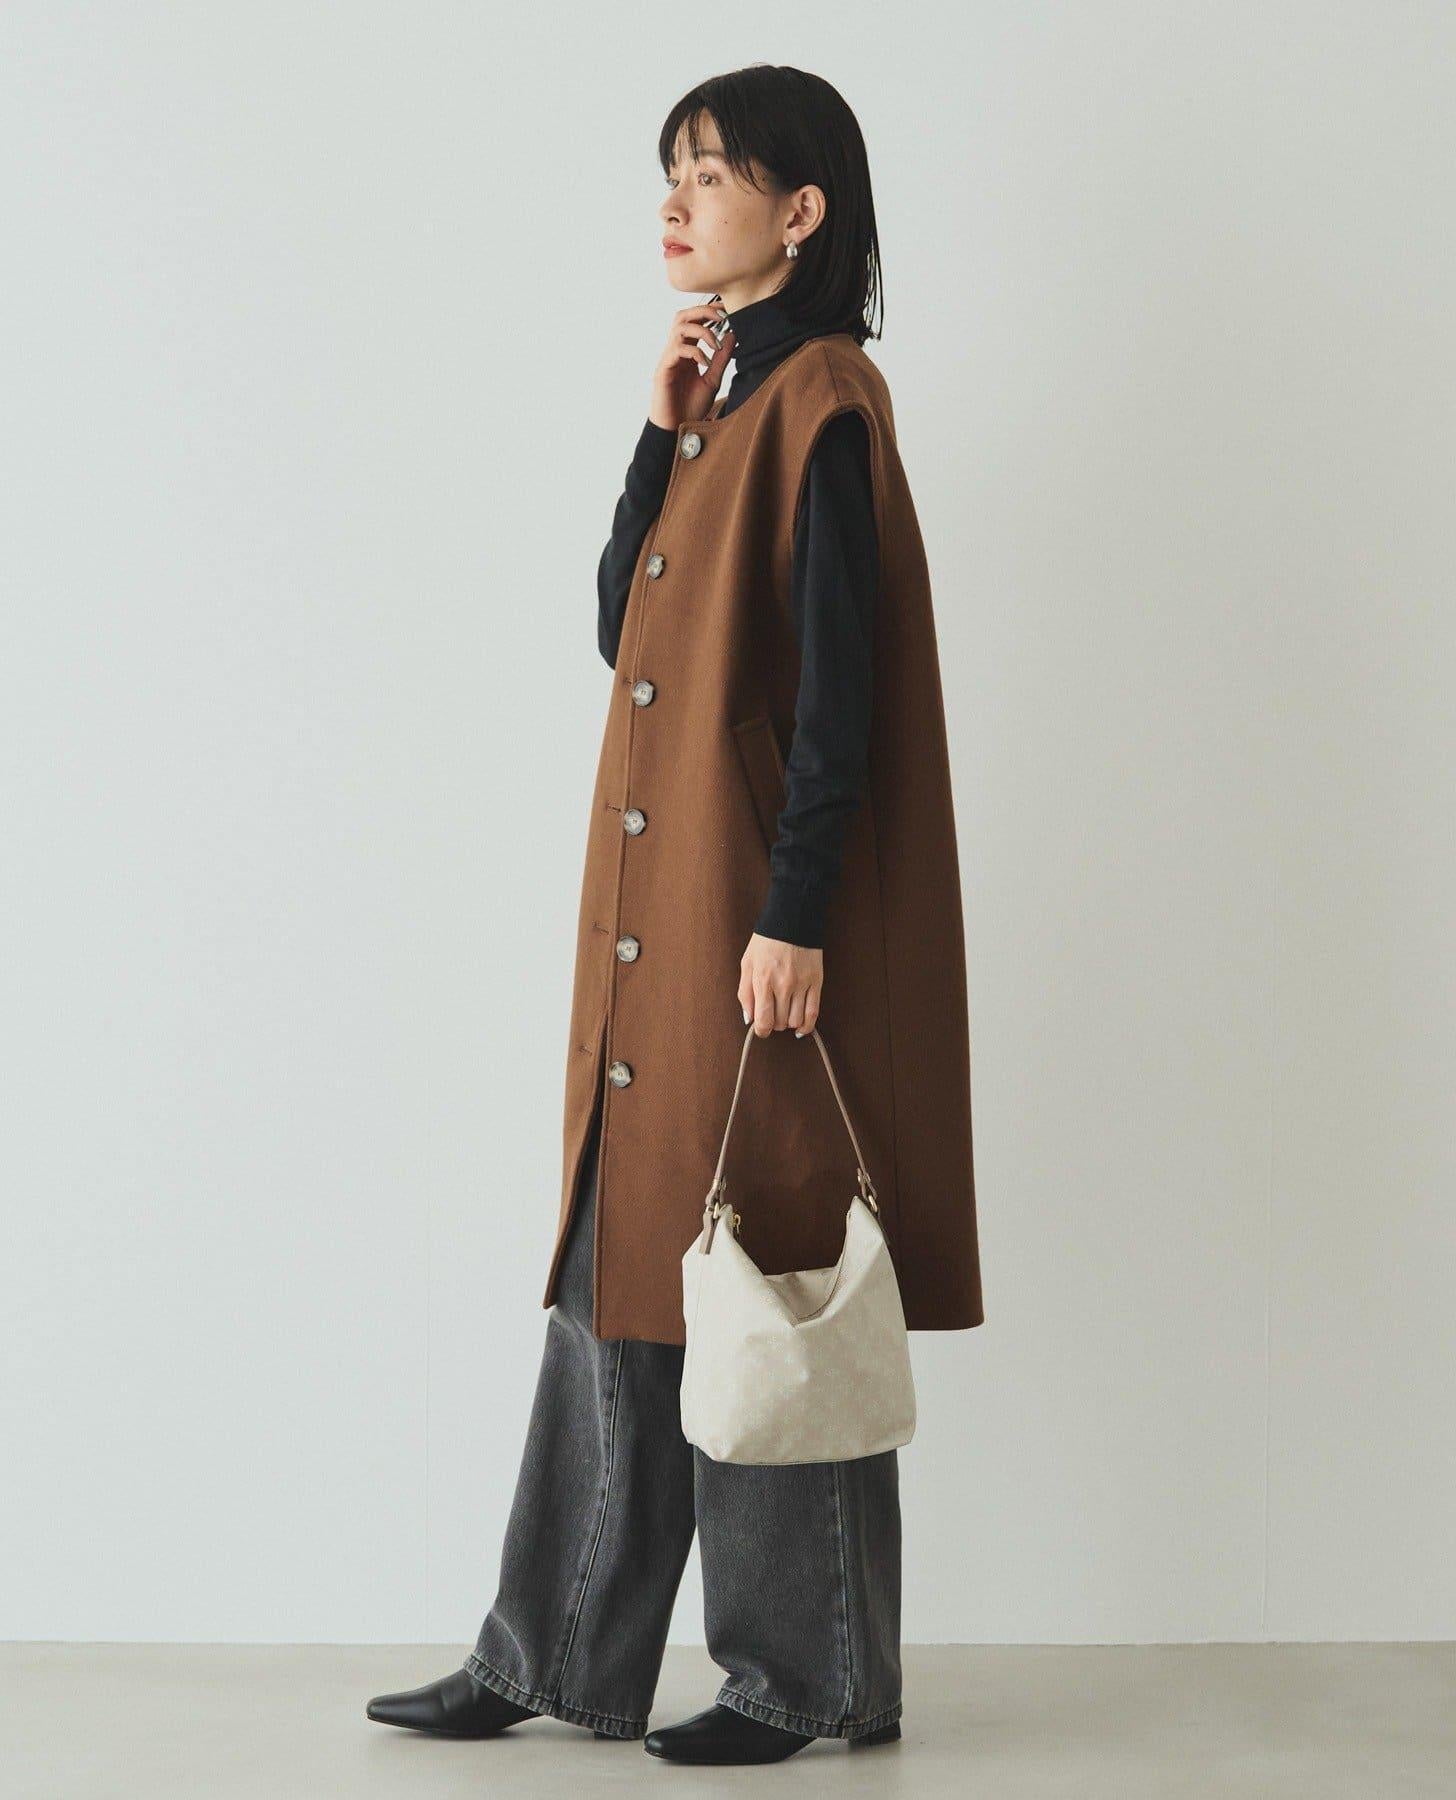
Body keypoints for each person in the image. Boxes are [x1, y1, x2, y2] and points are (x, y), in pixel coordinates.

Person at [367, 62, 982, 1767]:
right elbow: (618, 632)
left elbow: (843, 698)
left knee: (770, 1267)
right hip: (663, 918)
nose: (675, 199)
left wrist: (795, 917)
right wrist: (657, 426)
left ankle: (810, 1677)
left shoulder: (827, 400)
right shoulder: (724, 399)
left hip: (748, 924)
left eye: (710, 174)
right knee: (620, 1260)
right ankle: (555, 1650)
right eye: (672, 171)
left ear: (801, 210)